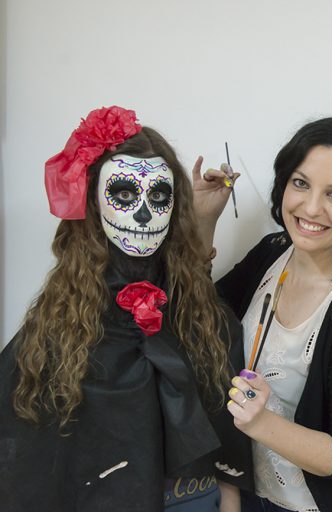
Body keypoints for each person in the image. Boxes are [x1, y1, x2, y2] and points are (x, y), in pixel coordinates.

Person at [0, 106, 251, 512]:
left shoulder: (200, 312)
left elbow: (229, 422)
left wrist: (231, 500)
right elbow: (27, 453)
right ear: (94, 202)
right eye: (124, 194)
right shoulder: (60, 323)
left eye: (159, 196)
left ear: (175, 204)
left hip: (193, 499)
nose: (144, 214)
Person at [194, 117, 332, 512]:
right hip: (249, 495)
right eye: (301, 183)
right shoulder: (273, 250)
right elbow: (198, 318)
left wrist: (260, 423)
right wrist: (204, 221)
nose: (311, 207)